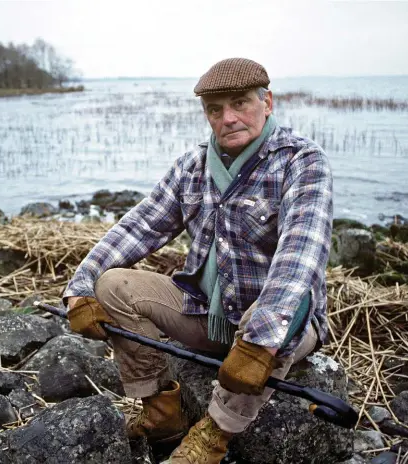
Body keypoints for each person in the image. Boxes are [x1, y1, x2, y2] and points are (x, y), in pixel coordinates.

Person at [63, 57, 333, 464]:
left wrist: (259, 339)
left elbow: (300, 257)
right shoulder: (192, 166)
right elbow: (138, 227)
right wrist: (80, 288)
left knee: (280, 307)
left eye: (240, 103)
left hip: (279, 329)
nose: (228, 118)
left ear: (268, 102)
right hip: (208, 314)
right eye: (215, 109)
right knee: (112, 284)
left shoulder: (303, 163)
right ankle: (162, 413)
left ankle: (213, 435)